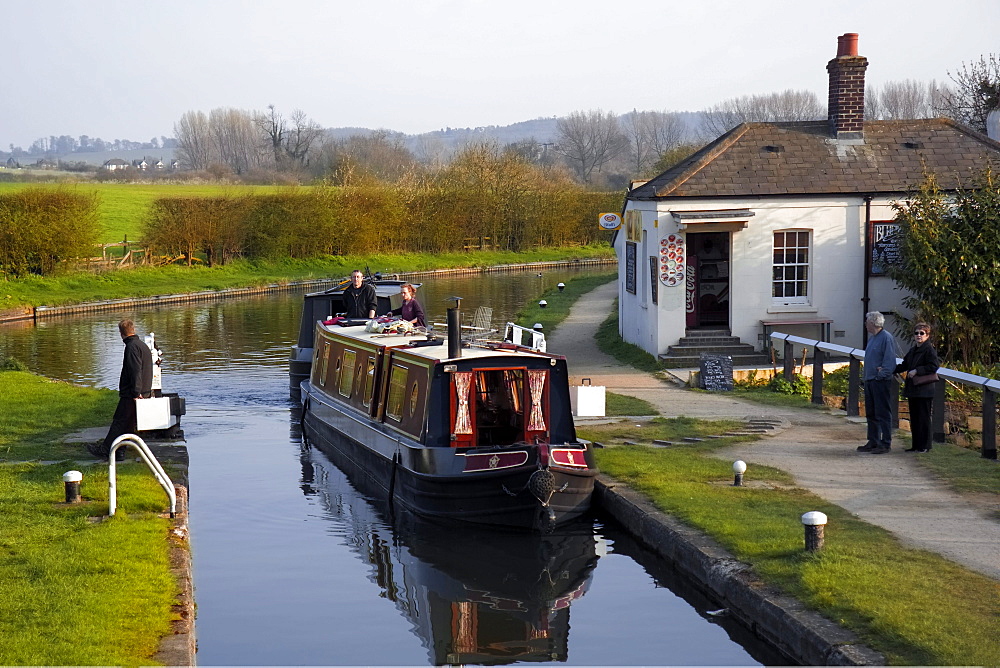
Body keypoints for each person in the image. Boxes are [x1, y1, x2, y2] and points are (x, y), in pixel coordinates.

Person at [89, 319, 153, 461]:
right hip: (143, 392)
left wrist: (136, 392)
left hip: (133, 394)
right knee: (127, 425)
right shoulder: (142, 345)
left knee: (119, 422)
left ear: (121, 333)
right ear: (133, 329)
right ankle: (120, 451)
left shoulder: (131, 347)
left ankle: (106, 449)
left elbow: (135, 371)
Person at [894, 322, 940, 452]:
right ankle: (916, 445)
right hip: (914, 389)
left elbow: (933, 366)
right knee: (915, 418)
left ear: (927, 335)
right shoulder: (913, 350)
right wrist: (888, 369)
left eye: (922, 333)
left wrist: (917, 370)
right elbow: (904, 364)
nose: (919, 336)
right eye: (916, 333)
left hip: (924, 389)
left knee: (924, 418)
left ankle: (925, 446)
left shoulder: (929, 350)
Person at [858, 311, 899, 454]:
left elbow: (889, 361)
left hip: (879, 381)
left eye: (867, 322)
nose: (865, 324)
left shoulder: (886, 338)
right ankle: (873, 440)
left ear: (873, 323)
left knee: (883, 413)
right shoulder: (873, 338)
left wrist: (880, 375)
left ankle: (885, 442)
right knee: (871, 413)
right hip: (870, 380)